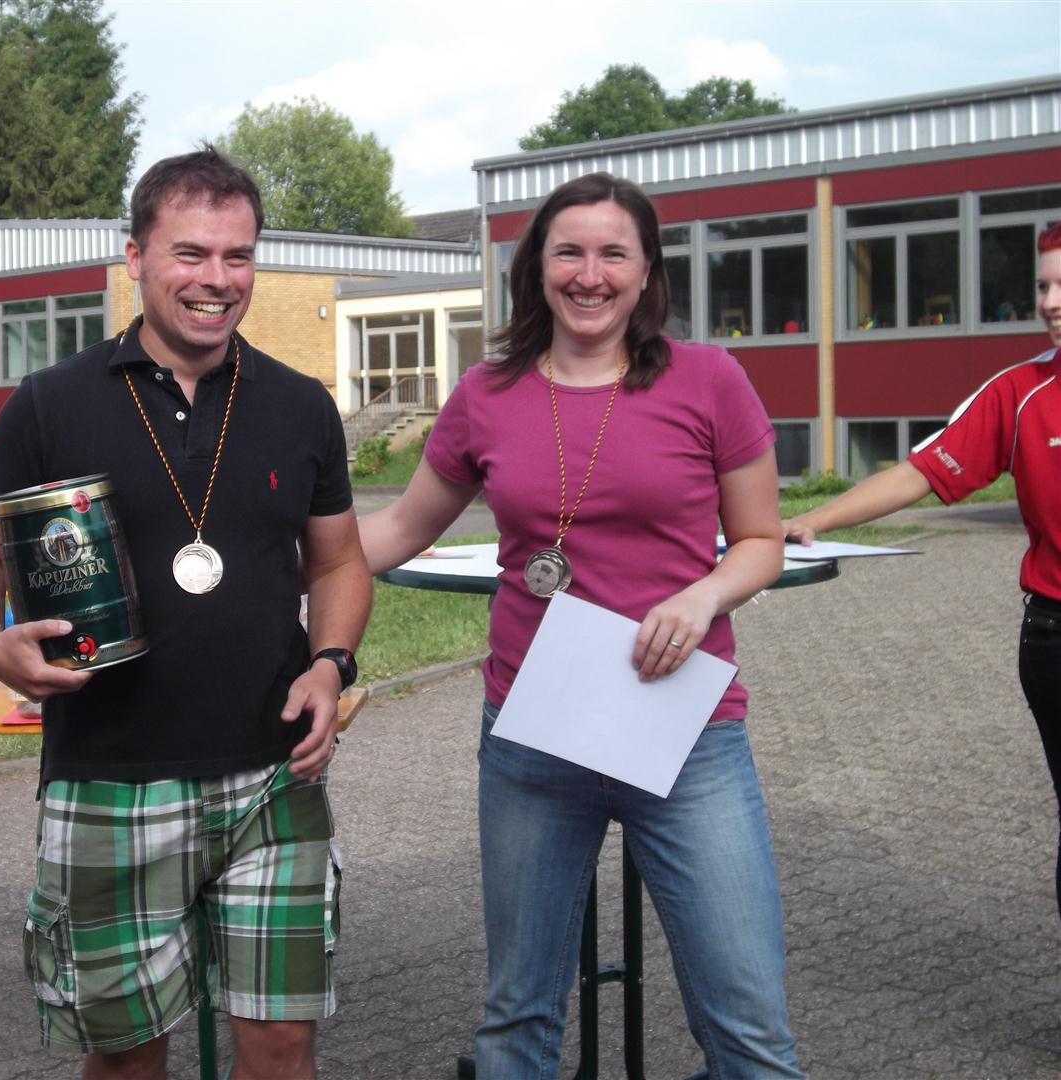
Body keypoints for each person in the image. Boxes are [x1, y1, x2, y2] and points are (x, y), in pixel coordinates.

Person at [0, 147, 372, 1080]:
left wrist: (330, 663)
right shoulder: (50, 404)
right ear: (134, 256)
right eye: (191, 253)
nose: (217, 279)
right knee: (126, 1058)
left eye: (237, 256)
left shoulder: (300, 405)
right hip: (110, 776)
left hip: (272, 778)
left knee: (283, 1048)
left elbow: (339, 560)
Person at [360, 173, 803, 1079]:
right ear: (536, 268)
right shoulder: (486, 393)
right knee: (517, 1018)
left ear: (646, 272)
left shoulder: (708, 380)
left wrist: (702, 597)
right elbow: (400, 528)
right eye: (568, 252)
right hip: (533, 733)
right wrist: (263, 568)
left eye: (612, 254)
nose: (588, 275)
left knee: (749, 1029)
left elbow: (760, 542)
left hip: (684, 732)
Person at [784, 221, 1061, 923]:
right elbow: (919, 472)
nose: (1050, 302)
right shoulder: (1020, 391)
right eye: (1042, 286)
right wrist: (815, 518)